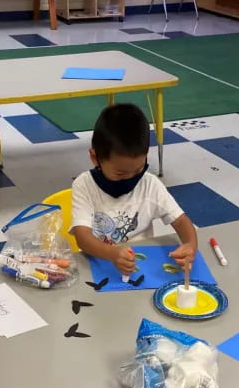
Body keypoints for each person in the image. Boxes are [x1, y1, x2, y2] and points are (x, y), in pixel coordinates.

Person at [71, 103, 198, 275]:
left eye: (138, 170)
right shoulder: (84, 185)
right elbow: (83, 238)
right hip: (101, 263)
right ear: (95, 158)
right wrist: (113, 253)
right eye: (120, 173)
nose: (131, 178)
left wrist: (190, 245)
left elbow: (181, 221)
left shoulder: (150, 184)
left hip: (143, 266)